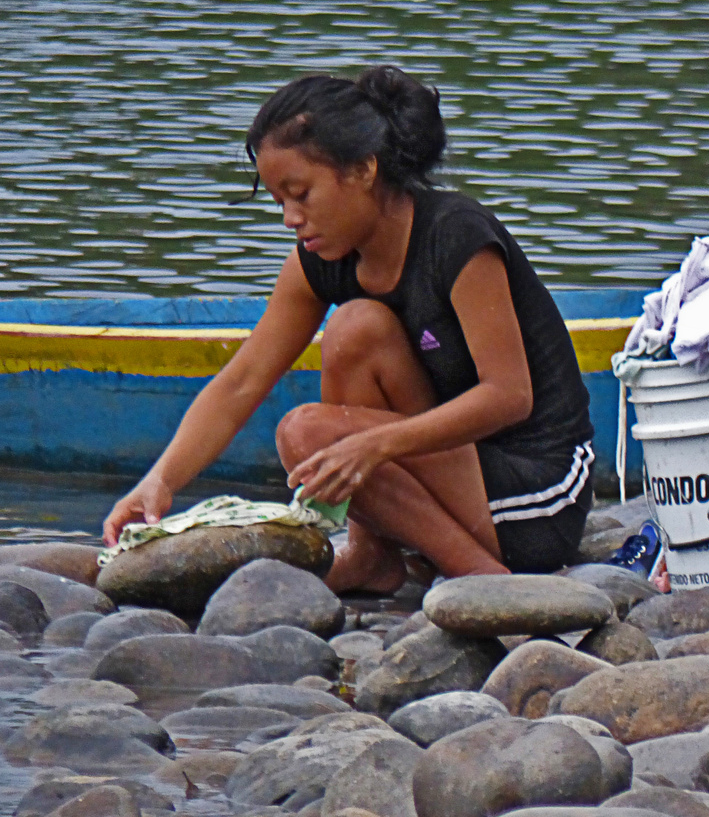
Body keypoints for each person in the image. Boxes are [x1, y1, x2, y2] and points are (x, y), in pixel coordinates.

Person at [102, 66, 595, 591]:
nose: (290, 219)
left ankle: (486, 580)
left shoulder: (456, 238)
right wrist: (158, 482)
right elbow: (242, 381)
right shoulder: (318, 259)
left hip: (539, 492)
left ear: (362, 170)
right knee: (356, 327)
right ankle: (371, 555)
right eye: (279, 202)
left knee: (306, 432)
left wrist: (376, 444)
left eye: (302, 194)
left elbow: (509, 397)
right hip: (459, 478)